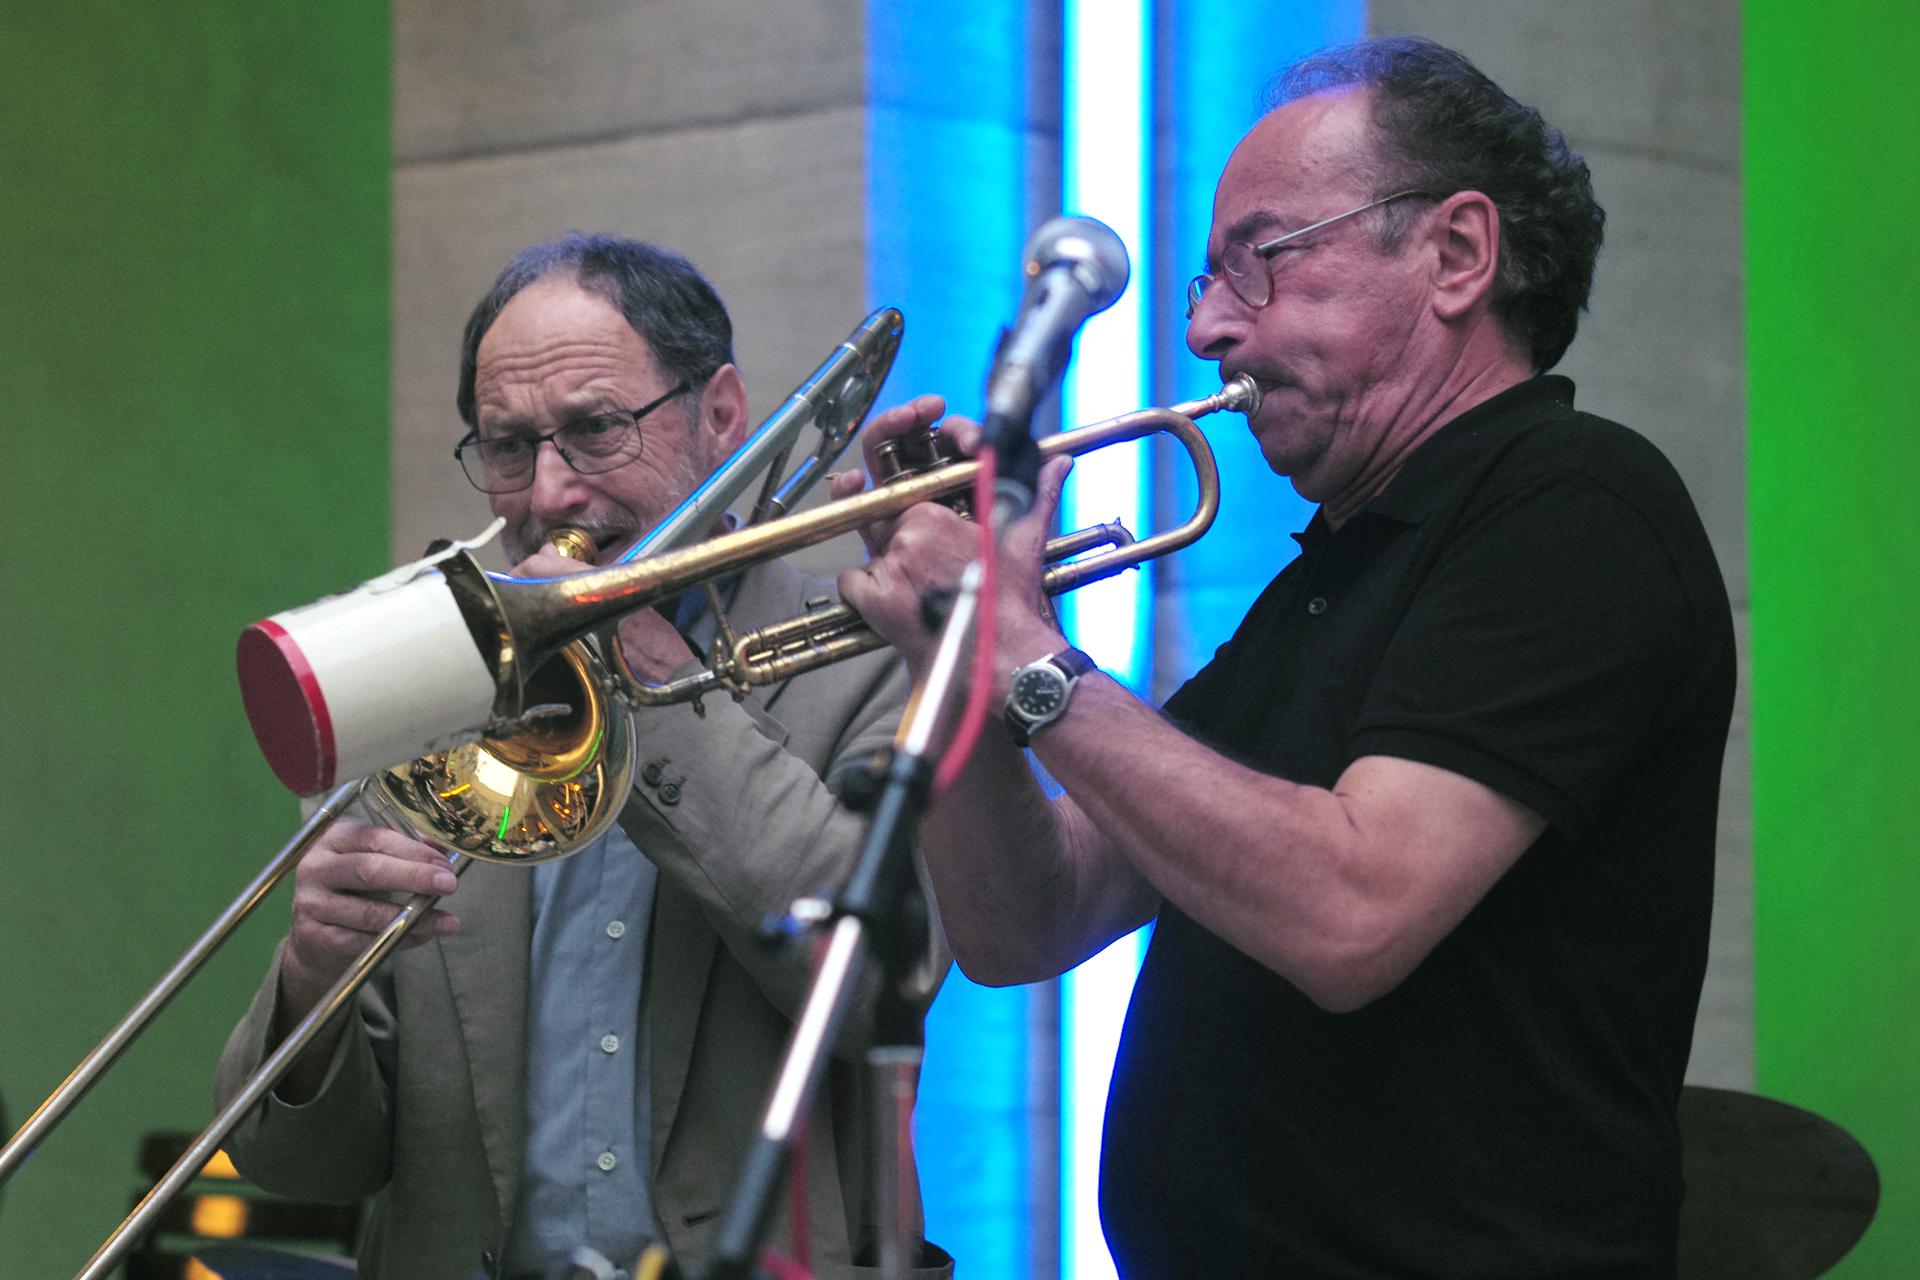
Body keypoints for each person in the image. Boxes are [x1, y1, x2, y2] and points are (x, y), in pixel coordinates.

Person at [836, 37, 1735, 1278]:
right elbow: (1026, 919)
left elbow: (1353, 913)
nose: (1209, 327)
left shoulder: (1576, 506)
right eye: (1208, 281)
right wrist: (949, 659)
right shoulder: (1329, 577)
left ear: (1456, 254)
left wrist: (1027, 650)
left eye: (1259, 262)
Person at [217, 234, 949, 1280]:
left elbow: (885, 985)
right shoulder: (424, 689)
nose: (550, 492)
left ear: (723, 414)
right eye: (509, 446)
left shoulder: (871, 655)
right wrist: (313, 975)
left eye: (597, 429)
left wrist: (651, 682)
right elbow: (303, 1165)